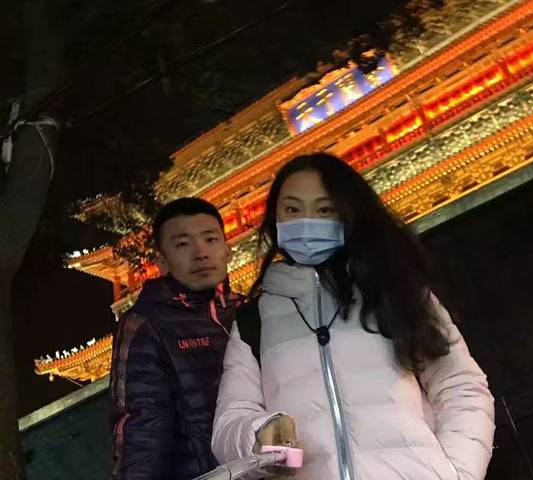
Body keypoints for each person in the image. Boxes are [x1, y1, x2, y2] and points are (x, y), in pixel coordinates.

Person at [212, 153, 495, 479]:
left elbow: (461, 387)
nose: (307, 221)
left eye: (324, 210)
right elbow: (230, 420)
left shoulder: (395, 290)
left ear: (348, 214)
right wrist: (257, 435)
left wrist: (457, 474)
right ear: (274, 218)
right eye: (292, 210)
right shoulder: (254, 320)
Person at [110, 197, 242, 479]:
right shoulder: (147, 325)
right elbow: (142, 427)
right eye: (182, 244)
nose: (200, 253)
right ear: (161, 261)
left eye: (210, 239)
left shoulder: (250, 311)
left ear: (227, 249)